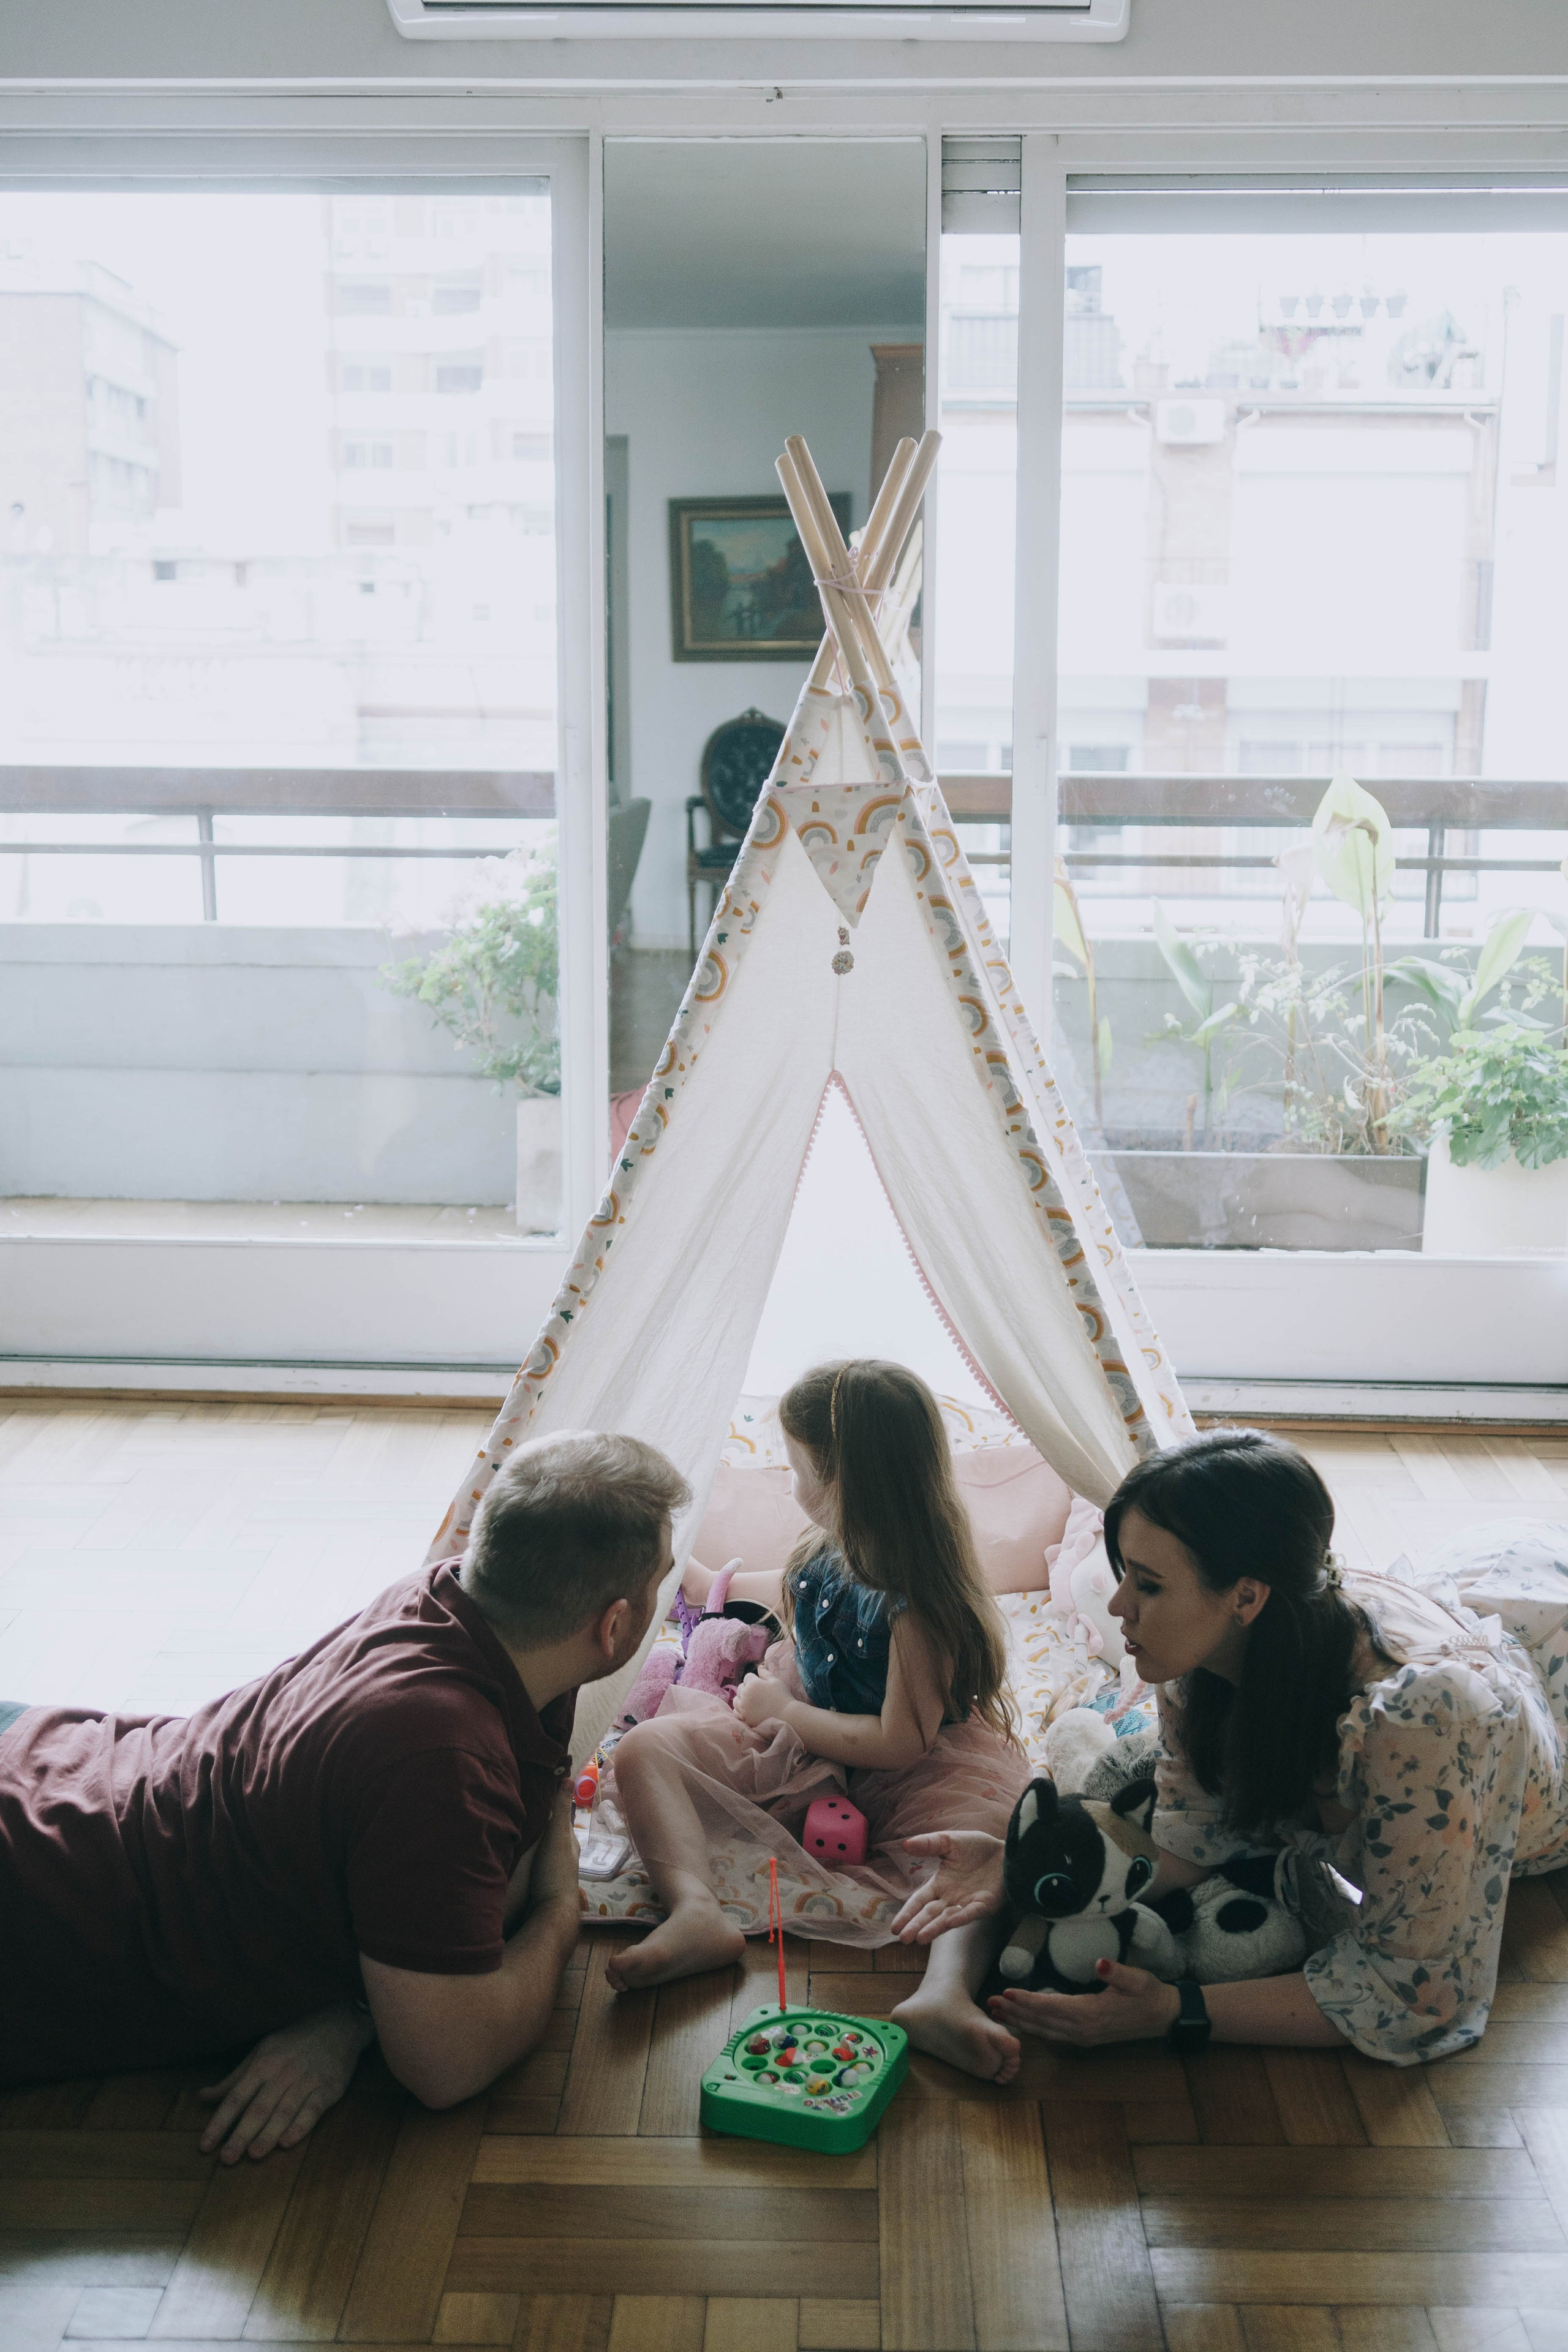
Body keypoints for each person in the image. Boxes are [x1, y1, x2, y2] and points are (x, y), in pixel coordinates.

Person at [0, 1430, 688, 2160]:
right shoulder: (441, 1757)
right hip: (37, 1914)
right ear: (613, 1625)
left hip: (55, 1763)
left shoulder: (454, 1599)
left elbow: (510, 1841)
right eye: (660, 1583)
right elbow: (445, 2066)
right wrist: (559, 1911)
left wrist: (355, 2013)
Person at [891, 1427, 1568, 2080]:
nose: (1119, 1606)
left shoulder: (1424, 1723)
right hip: (1475, 1600)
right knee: (1083, 1818)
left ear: (1245, 1596)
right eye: (1123, 1574)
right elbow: (1190, 1846)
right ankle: (937, 1997)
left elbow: (1411, 1990)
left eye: (1148, 1586)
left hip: (1541, 1689)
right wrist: (1016, 1867)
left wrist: (1173, 2012)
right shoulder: (1200, 1655)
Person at [604, 1359, 1030, 1991]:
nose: (789, 1482)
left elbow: (899, 1744)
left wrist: (781, 1711)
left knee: (972, 1848)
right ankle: (695, 1911)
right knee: (642, 1750)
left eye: (797, 1469)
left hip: (912, 1765)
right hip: (798, 1740)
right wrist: (691, 1577)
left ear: (847, 1484)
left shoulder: (917, 1599)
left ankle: (944, 1996)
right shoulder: (828, 1543)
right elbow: (776, 1589)